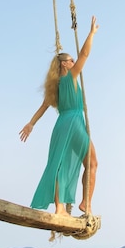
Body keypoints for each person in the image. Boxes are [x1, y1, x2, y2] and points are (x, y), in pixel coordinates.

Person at [19, 15, 99, 216]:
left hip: (62, 123)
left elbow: (43, 107)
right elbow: (85, 54)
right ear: (64, 64)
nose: (74, 62)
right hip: (73, 121)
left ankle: (62, 208)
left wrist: (31, 124)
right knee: (92, 163)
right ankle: (85, 204)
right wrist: (91, 34)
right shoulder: (70, 77)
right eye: (71, 60)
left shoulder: (55, 87)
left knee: (59, 164)